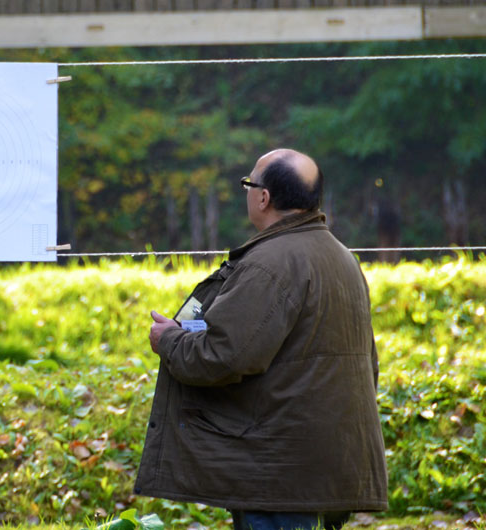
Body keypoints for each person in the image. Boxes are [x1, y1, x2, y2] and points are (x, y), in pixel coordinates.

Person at [134, 149, 388, 530]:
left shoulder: (269, 264)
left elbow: (223, 356)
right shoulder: (341, 257)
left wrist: (169, 339)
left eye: (248, 184)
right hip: (323, 461)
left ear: (264, 197)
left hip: (278, 470)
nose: (247, 192)